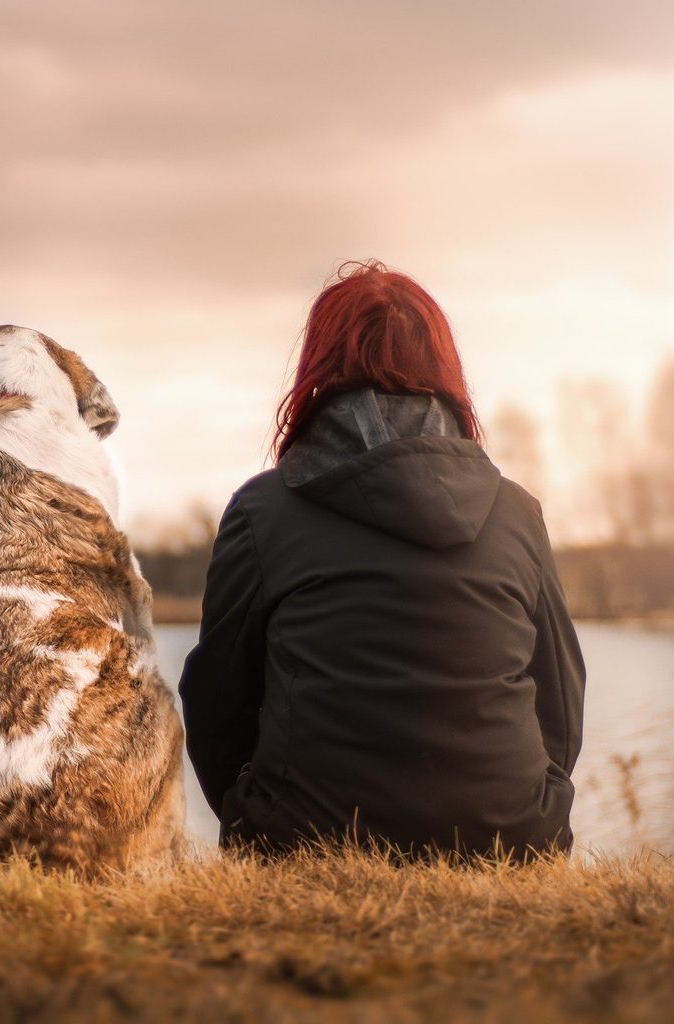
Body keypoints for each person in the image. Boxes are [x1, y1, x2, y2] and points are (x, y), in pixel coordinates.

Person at [178, 260, 586, 859]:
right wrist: (530, 804)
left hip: (304, 839)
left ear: (319, 367)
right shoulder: (517, 511)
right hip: (510, 839)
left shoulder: (263, 511)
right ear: (444, 369)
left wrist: (253, 813)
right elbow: (561, 699)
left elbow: (217, 702)